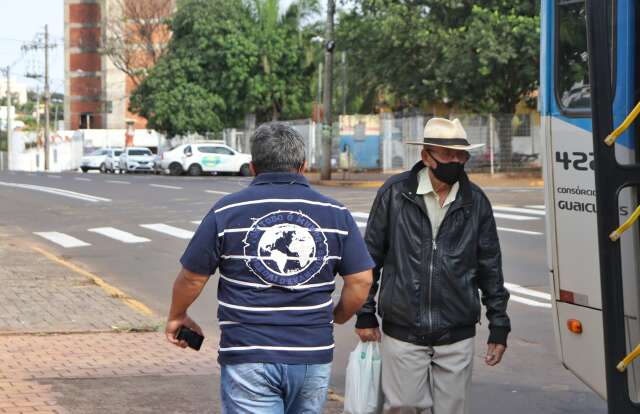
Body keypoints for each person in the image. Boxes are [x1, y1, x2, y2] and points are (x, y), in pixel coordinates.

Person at [165, 122, 374, 414]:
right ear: (302, 166)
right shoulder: (335, 214)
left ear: (252, 167)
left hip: (249, 354)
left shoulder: (226, 211)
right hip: (312, 355)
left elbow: (192, 278)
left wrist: (178, 315)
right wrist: (337, 316)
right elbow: (362, 281)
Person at [355, 117, 511, 414]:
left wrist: (499, 325)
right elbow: (369, 258)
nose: (456, 161)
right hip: (403, 327)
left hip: (456, 330)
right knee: (404, 406)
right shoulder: (394, 193)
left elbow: (490, 266)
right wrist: (365, 313)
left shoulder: (476, 201)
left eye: (461, 156)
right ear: (426, 156)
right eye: (448, 154)